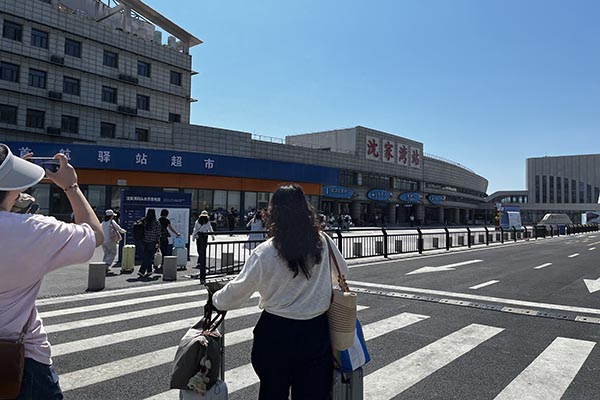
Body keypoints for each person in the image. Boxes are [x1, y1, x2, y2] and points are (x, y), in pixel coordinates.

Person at [212, 184, 349, 400]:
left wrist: (215, 299)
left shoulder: (266, 252)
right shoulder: (323, 242)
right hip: (316, 331)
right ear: (306, 209)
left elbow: (237, 292)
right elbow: (342, 272)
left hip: (276, 332)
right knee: (313, 394)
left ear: (274, 212)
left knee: (273, 393)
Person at [0, 143, 103, 399]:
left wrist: (13, 189)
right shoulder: (33, 230)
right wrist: (71, 186)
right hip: (23, 361)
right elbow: (95, 234)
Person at [191, 210, 215, 283]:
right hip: (205, 237)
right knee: (203, 249)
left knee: (199, 249)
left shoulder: (198, 221)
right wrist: (213, 236)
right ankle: (201, 261)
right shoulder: (207, 222)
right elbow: (210, 228)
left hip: (199, 236)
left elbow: (195, 229)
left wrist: (193, 237)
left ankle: (200, 262)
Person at [101, 209, 126, 273]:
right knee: (113, 253)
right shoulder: (112, 222)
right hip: (110, 240)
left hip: (103, 241)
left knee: (106, 253)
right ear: (111, 216)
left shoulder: (102, 223)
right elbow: (118, 228)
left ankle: (104, 266)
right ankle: (107, 264)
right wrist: (123, 231)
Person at [138, 208, 161, 278]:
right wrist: (158, 242)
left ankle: (149, 270)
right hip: (152, 241)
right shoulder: (156, 222)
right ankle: (141, 271)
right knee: (148, 257)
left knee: (147, 255)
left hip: (144, 241)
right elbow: (158, 233)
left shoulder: (144, 220)